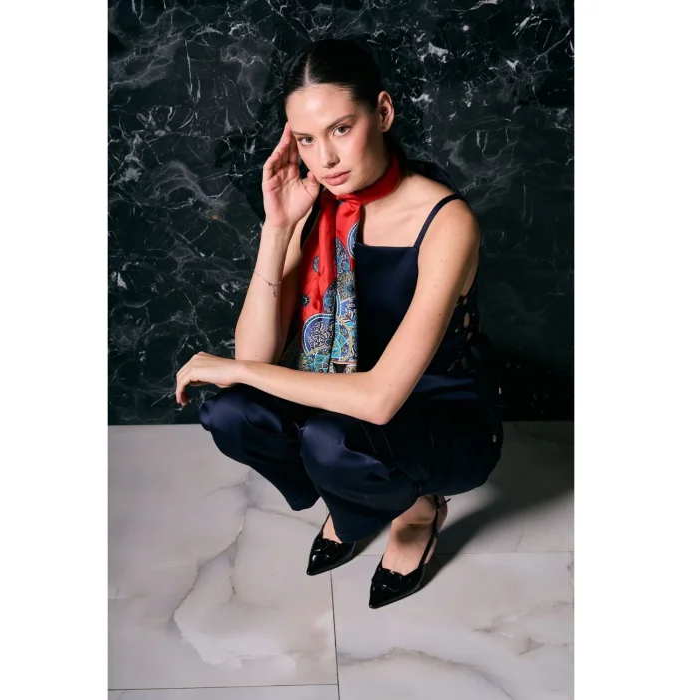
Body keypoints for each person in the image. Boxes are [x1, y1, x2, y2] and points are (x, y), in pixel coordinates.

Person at [174, 38, 504, 609]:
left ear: (383, 112)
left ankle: (416, 509)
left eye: (341, 129)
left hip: (437, 409)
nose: (324, 158)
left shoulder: (445, 221)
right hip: (340, 394)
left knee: (331, 440)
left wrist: (239, 370)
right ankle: (355, 492)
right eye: (306, 139)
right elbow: (254, 357)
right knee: (232, 413)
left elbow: (378, 400)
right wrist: (277, 229)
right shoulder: (316, 207)